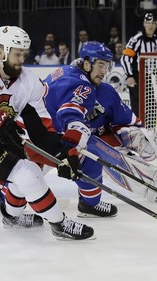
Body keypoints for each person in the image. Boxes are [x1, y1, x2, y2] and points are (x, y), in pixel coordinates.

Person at [0, 25, 94, 240]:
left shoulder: (29, 82)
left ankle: (11, 217)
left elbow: (41, 131)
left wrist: (64, 153)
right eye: (17, 53)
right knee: (27, 174)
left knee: (27, 172)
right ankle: (59, 224)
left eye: (24, 53)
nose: (22, 58)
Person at [42, 41, 119, 218]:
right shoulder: (84, 86)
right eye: (100, 65)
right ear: (86, 63)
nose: (104, 71)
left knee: (23, 172)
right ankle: (89, 204)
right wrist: (71, 149)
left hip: (30, 130)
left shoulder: (65, 71)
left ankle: (2, 197)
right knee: (91, 159)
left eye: (106, 66)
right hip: (46, 137)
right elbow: (68, 114)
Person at [121, 12, 157, 130]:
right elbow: (125, 58)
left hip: (147, 76)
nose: (150, 25)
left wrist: (156, 74)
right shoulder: (136, 39)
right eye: (148, 22)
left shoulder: (156, 41)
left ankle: (151, 129)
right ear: (144, 24)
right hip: (136, 75)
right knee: (137, 104)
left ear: (156, 25)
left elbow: (153, 59)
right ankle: (138, 130)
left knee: (151, 103)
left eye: (153, 23)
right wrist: (130, 75)